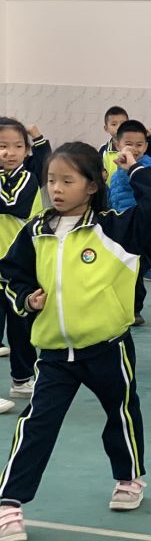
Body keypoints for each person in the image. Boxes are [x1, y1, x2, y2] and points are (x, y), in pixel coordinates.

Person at [0, 142, 151, 541]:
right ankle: (9, 505)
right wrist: (26, 298)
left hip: (107, 346)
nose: (56, 189)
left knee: (122, 413)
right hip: (55, 353)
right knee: (36, 424)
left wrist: (135, 169)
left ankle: (128, 478)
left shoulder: (115, 228)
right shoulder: (36, 231)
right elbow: (10, 273)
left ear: (92, 186)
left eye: (67, 181)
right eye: (51, 181)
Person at [0, 118, 46, 412]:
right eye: (2, 146)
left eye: (18, 146)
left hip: (19, 267)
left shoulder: (27, 180)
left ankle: (22, 379)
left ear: (28, 151)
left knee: (21, 327)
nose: (10, 152)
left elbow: (12, 203)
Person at [109, 120, 151, 324]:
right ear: (117, 144)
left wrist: (130, 166)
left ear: (146, 146)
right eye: (129, 144)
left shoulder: (144, 165)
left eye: (139, 145)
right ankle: (133, 311)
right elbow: (115, 198)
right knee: (131, 272)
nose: (134, 149)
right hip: (129, 230)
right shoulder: (117, 168)